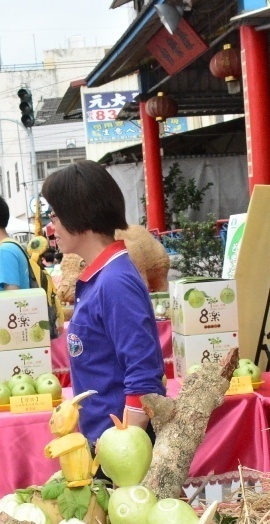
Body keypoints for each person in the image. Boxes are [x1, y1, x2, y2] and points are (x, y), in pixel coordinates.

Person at [41, 161, 165, 444]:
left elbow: (143, 376)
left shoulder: (115, 281)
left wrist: (126, 449)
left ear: (79, 214)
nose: (52, 227)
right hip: (104, 444)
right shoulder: (102, 277)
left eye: (56, 215)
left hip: (122, 452)